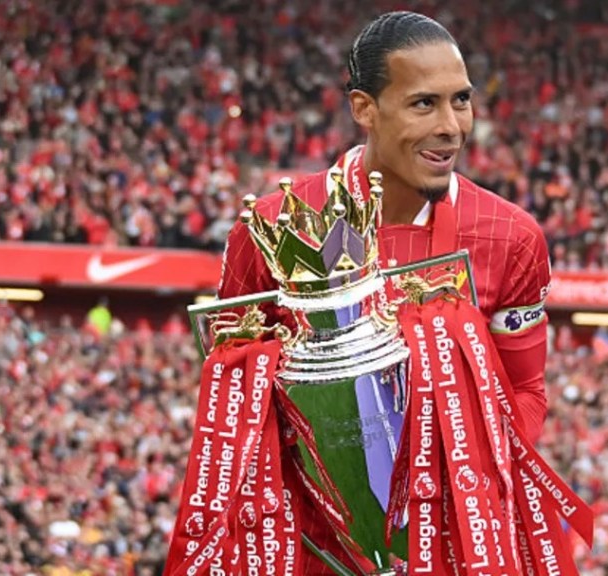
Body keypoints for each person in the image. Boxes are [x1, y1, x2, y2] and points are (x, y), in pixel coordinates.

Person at [218, 11, 551, 443]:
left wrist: (460, 469)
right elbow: (232, 401)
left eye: (461, 100)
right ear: (364, 109)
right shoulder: (270, 229)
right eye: (424, 103)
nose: (451, 127)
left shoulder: (511, 236)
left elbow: (525, 392)